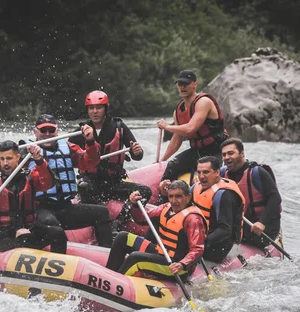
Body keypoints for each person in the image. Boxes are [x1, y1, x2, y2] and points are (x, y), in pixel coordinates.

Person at [26, 114, 114, 247]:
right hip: (39, 210)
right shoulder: (25, 153)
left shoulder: (68, 148)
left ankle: (108, 255)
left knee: (102, 212)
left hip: (65, 206)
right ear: (35, 132)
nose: (48, 134)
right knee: (53, 225)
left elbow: (90, 163)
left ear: (57, 131)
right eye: (43, 131)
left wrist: (90, 141)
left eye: (52, 130)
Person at [70, 90, 153, 231]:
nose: (95, 111)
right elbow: (65, 156)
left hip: (113, 183)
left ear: (106, 109)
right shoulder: (80, 131)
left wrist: (137, 152)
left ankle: (119, 222)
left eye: (99, 107)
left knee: (145, 191)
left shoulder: (119, 127)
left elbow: (137, 155)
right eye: (91, 108)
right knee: (84, 186)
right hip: (91, 183)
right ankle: (98, 220)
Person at [0, 140, 67, 254]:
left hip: (29, 229)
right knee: (23, 235)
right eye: (2, 159)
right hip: (2, 236)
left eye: (9, 158)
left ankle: (60, 266)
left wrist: (39, 159)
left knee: (58, 233)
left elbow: (49, 182)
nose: (5, 163)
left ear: (18, 157)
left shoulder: (29, 177)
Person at [104, 180, 206, 280]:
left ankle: (114, 282)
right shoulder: (166, 207)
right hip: (160, 252)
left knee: (136, 258)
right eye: (171, 196)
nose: (174, 201)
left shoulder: (193, 219)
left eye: (178, 196)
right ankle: (108, 275)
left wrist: (182, 264)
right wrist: (134, 205)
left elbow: (197, 249)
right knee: (123, 237)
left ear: (188, 197)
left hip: (176, 266)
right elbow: (142, 219)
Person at [156, 70, 229, 190]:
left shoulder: (203, 102)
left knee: (210, 173)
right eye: (180, 84)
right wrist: (162, 160)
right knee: (172, 165)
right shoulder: (178, 110)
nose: (183, 87)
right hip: (198, 151)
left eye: (186, 84)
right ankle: (163, 200)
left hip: (217, 149)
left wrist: (167, 127)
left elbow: (190, 129)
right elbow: (176, 139)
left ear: (195, 84)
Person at [220, 137, 282, 248]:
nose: (226, 158)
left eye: (230, 153)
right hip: (240, 225)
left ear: (242, 153)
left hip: (264, 226)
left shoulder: (258, 172)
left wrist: (262, 223)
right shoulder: (222, 174)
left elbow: (275, 198)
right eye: (224, 155)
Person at [192, 156, 245, 263]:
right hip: (197, 236)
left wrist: (201, 242)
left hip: (217, 245)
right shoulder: (196, 187)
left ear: (217, 172)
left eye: (206, 172)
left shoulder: (225, 195)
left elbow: (225, 230)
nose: (201, 176)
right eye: (199, 172)